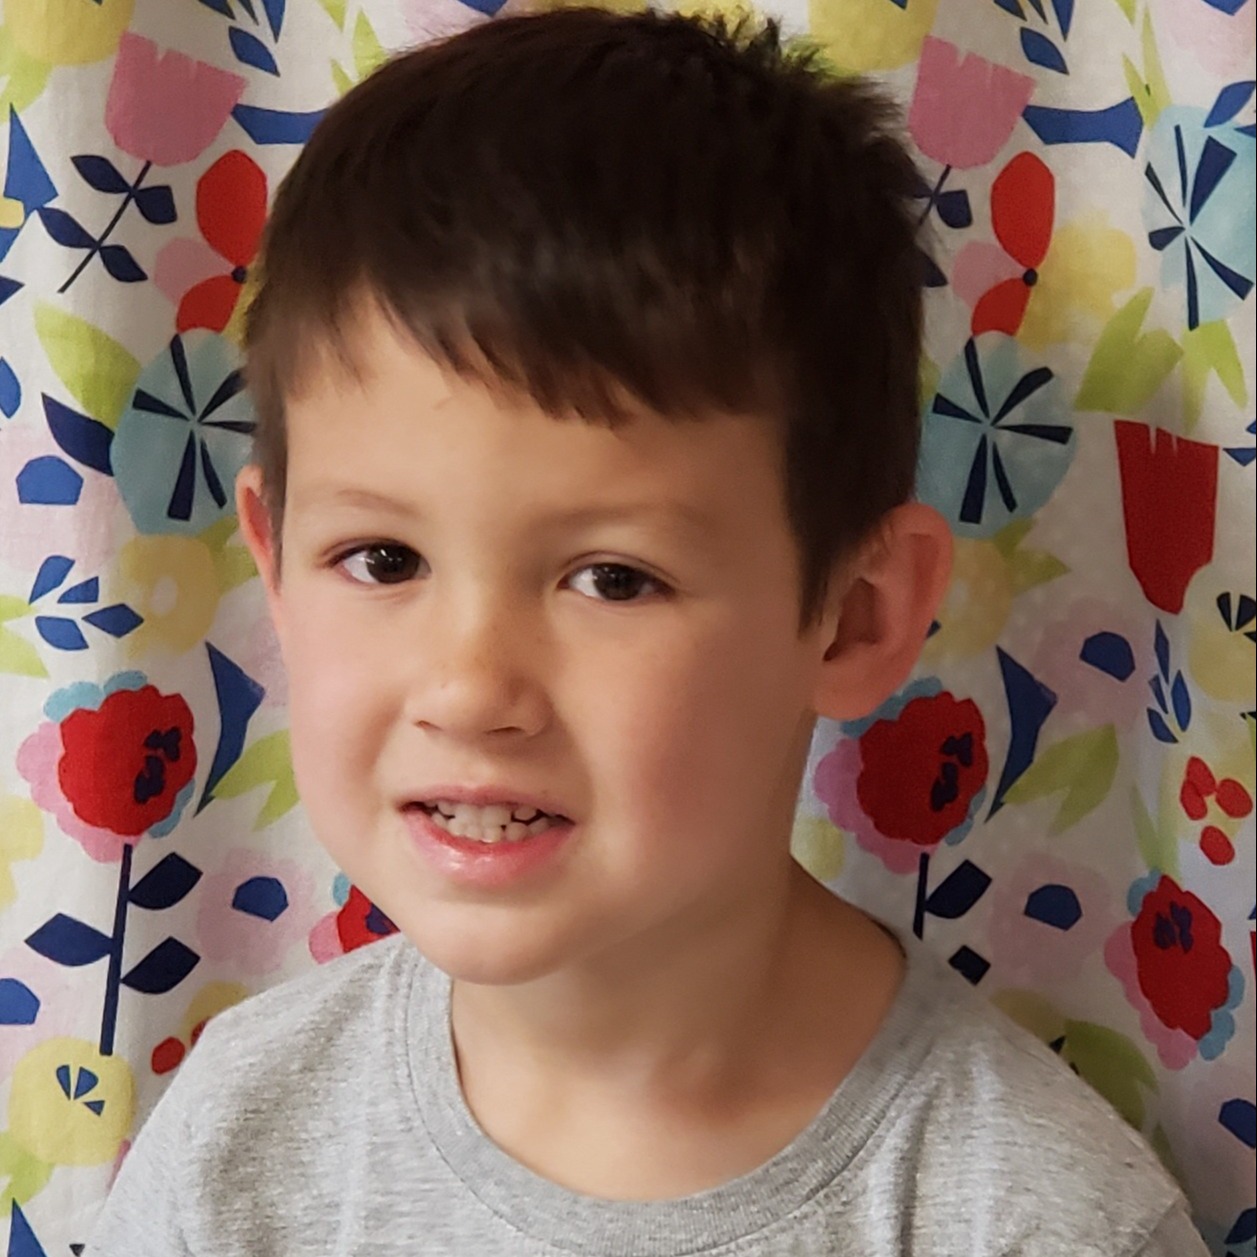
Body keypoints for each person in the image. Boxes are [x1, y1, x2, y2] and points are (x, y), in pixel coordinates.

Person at [88, 9, 1207, 1255]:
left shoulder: (1040, 1221)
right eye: (383, 559)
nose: (468, 690)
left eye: (613, 579)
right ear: (276, 568)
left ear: (857, 616)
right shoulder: (240, 1131)